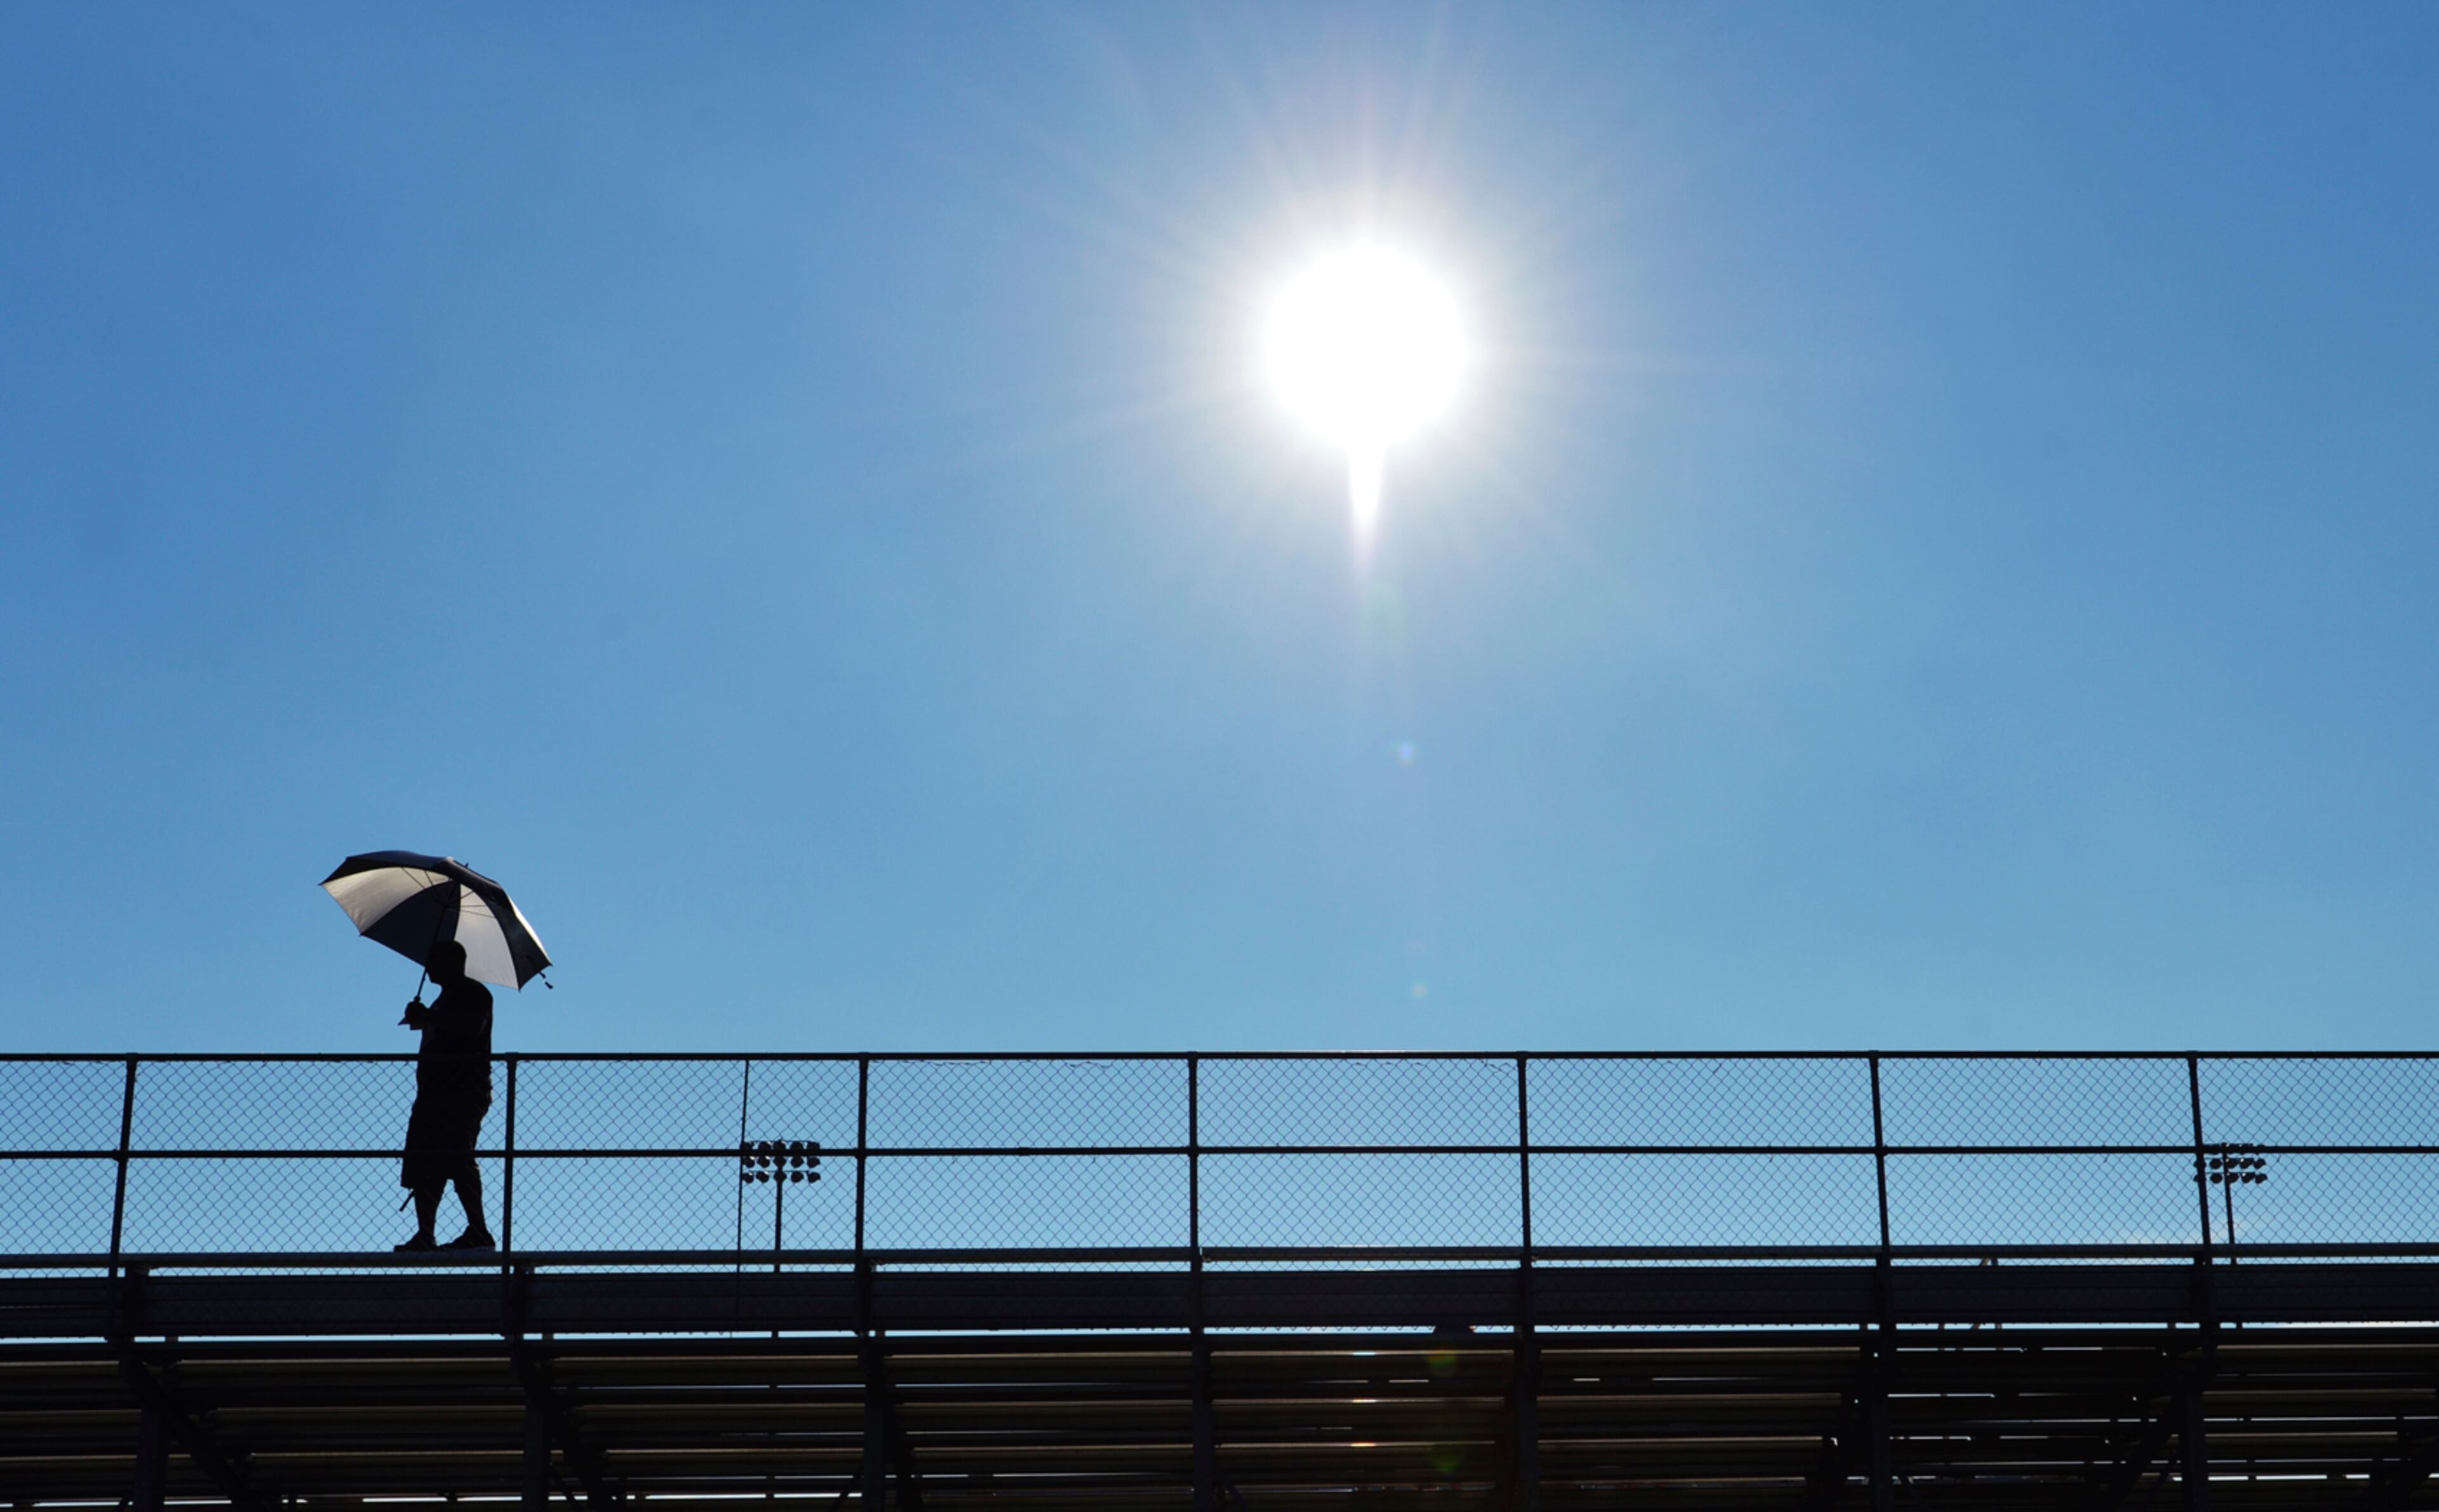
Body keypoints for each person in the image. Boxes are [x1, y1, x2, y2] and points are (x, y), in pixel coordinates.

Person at [397, 939, 495, 1251]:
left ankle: (478, 1231)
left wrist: (432, 1017)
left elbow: (471, 1027)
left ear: (452, 963)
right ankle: (426, 1233)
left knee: (457, 1156)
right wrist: (419, 1016)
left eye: (434, 962)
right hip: (433, 1093)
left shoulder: (474, 993)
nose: (428, 969)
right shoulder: (444, 999)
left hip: (462, 1091)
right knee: (425, 1161)